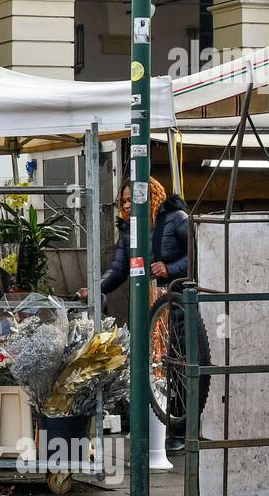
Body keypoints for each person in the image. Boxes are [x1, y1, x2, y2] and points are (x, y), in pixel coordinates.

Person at [79, 177, 190, 452]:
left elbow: (199, 253)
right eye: (123, 202)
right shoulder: (129, 231)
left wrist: (171, 268)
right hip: (146, 304)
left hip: (177, 302)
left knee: (176, 363)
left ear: (149, 197)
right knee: (149, 363)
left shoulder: (177, 219)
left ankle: (179, 430)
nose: (127, 206)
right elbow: (118, 270)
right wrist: (94, 289)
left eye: (131, 200)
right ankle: (152, 425)